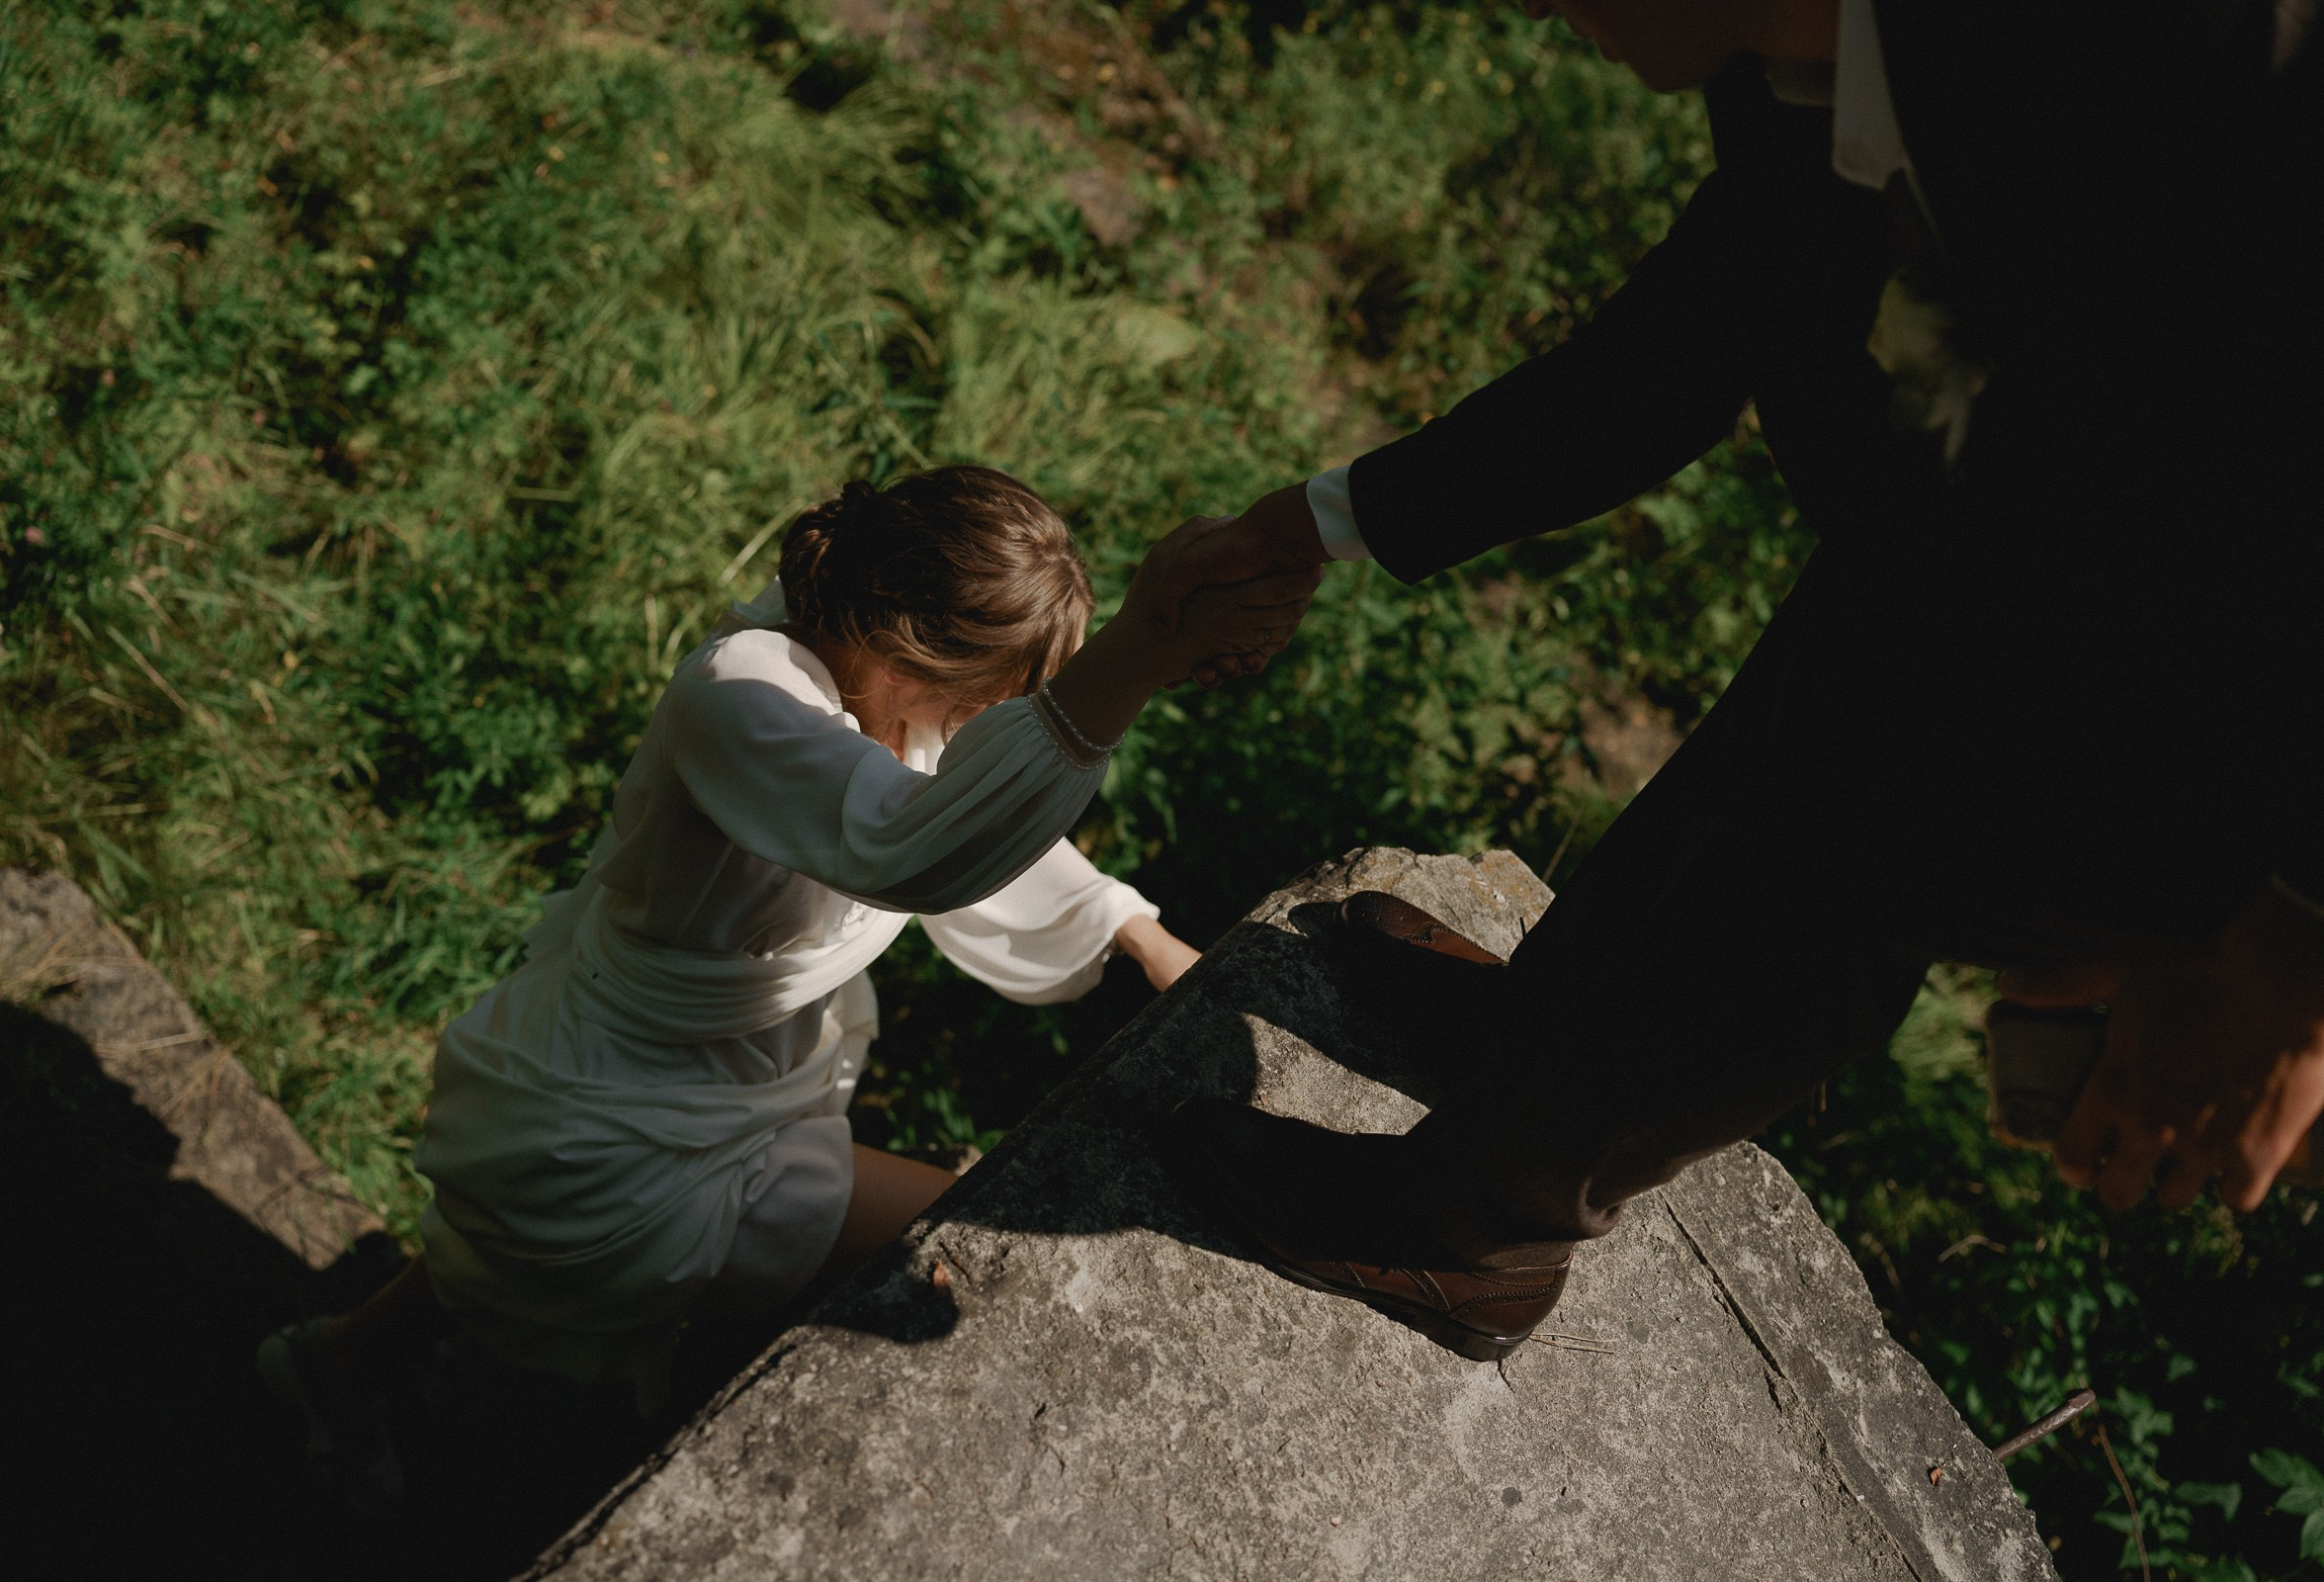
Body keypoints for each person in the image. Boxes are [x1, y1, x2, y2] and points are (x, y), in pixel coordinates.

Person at [1161, 0, 2324, 1363]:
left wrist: (2294, 940)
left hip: (2241, 697)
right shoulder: (1795, 58)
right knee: (1807, 706)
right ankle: (1532, 1039)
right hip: (2003, 541)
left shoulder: (2206, 51)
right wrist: (1323, 521)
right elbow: (1695, 337)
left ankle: (1471, 1230)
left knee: (1836, 858)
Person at [260, 466, 1318, 1476]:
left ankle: (337, 1361)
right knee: (963, 1235)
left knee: (497, 1264)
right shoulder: (747, 693)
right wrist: (1129, 663)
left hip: (736, 1077)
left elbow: (951, 799)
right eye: (981, 704)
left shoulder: (887, 688)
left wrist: (1128, 928)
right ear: (903, 645)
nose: (984, 734)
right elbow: (918, 844)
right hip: (623, 1099)